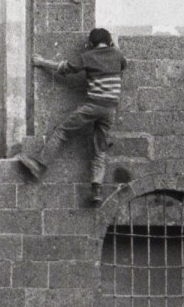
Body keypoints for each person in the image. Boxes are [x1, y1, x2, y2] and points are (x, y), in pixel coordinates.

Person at [17, 27, 129, 206]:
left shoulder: (88, 56)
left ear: (91, 43)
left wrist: (42, 62)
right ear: (109, 41)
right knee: (99, 149)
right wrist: (113, 46)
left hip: (93, 105)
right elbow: (124, 65)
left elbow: (65, 68)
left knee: (62, 131)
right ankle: (97, 189)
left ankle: (38, 166)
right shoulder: (117, 55)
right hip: (110, 109)